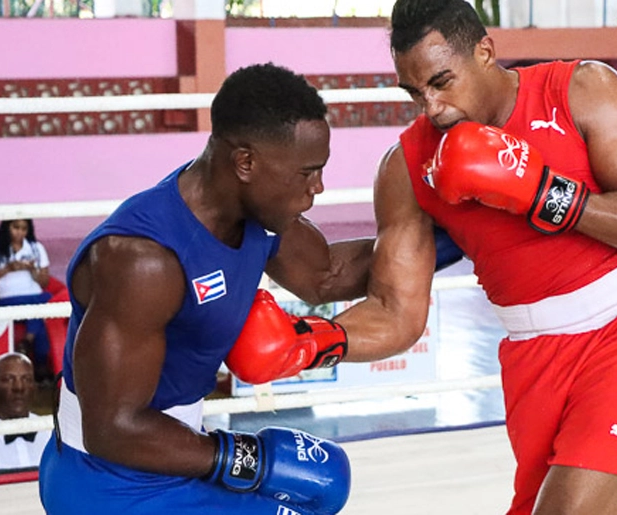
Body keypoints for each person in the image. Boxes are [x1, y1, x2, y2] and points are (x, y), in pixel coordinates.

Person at [326, 1, 617, 514]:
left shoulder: (579, 89)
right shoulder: (407, 166)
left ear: (485, 52)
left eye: (441, 81)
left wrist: (544, 193)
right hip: (533, 354)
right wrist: (311, 343)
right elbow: (398, 312)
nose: (431, 106)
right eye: (415, 92)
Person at [38, 63, 377, 515]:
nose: (318, 187)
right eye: (306, 173)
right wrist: (244, 459)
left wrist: (453, 232)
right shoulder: (143, 259)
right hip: (106, 483)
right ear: (245, 162)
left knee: (323, 486)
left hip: (170, 459)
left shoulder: (260, 214)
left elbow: (327, 275)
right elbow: (112, 428)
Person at [0, 219, 53, 380]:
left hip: (35, 296)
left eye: (24, 228)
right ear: (7, 228)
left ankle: (27, 342)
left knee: (43, 303)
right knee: (38, 310)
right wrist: (8, 269)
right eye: (16, 227)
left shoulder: (36, 248)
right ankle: (38, 365)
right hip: (7, 299)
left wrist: (33, 270)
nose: (20, 232)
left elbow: (45, 282)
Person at [0, 352, 49, 475]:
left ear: (35, 388)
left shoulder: (52, 435)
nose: (19, 387)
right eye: (8, 379)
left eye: (26, 379)